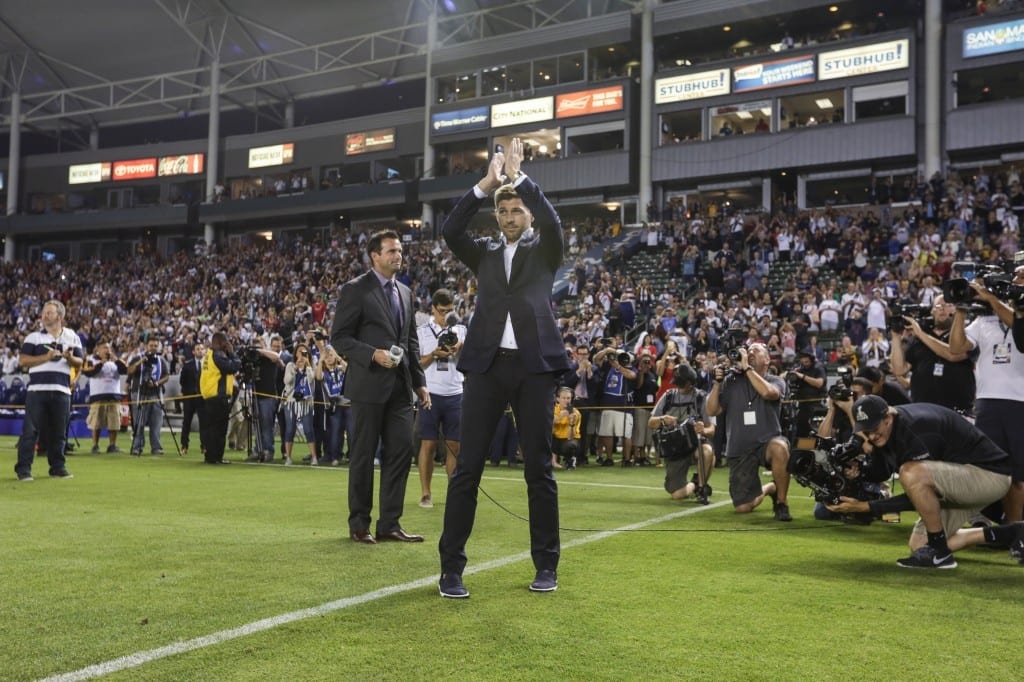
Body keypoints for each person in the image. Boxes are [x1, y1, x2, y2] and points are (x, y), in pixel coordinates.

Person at [438, 137, 568, 598]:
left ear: (527, 215)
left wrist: (523, 180)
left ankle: (546, 566)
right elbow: (451, 231)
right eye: (504, 211)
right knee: (467, 467)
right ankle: (451, 569)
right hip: (486, 369)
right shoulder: (485, 254)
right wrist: (486, 184)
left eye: (517, 210)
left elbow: (555, 222)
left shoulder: (545, 250)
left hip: (534, 370)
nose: (510, 217)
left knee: (538, 469)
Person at [827, 395, 1022, 569]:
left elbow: (917, 494)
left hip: (989, 475)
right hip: (961, 477)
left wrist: (867, 507)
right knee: (919, 546)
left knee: (911, 473)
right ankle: (1012, 532)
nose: (871, 436)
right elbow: (881, 472)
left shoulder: (916, 429)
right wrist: (860, 471)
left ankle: (940, 552)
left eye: (874, 429)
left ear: (888, 418)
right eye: (866, 431)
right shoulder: (890, 429)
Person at [331, 229, 429, 546]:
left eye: (399, 251)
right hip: (367, 387)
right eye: (391, 251)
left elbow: (410, 342)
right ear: (375, 255)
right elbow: (340, 338)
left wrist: (420, 382)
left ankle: (390, 524)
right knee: (362, 457)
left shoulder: (405, 292)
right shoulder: (355, 290)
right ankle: (360, 525)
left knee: (400, 453)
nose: (397, 256)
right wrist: (372, 354)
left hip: (400, 390)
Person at [948, 278, 1024, 524]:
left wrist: (993, 299)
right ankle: (987, 521)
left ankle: (1015, 531)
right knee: (986, 469)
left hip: (1019, 401)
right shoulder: (983, 320)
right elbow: (956, 348)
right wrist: (961, 309)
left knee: (1018, 475)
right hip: (987, 402)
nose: (1015, 283)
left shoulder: (1014, 316)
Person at [706, 342, 793, 521]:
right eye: (748, 350)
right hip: (740, 447)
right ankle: (771, 488)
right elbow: (712, 411)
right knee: (743, 507)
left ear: (767, 360)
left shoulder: (776, 380)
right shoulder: (731, 381)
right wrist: (716, 384)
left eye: (756, 351)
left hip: (766, 442)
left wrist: (746, 368)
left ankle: (782, 504)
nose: (750, 352)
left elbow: (769, 394)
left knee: (780, 447)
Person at [14, 300, 84, 481]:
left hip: (62, 390)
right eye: (44, 312)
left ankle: (58, 467)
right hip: (37, 389)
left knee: (59, 432)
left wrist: (69, 358)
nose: (44, 315)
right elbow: (22, 361)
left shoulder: (72, 336)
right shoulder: (34, 337)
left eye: (49, 313)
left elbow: (80, 362)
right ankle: (23, 469)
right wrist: (46, 356)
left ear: (59, 316)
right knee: (30, 431)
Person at [416, 288, 466, 508]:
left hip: (456, 392)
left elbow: (468, 353)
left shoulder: (460, 329)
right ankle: (426, 493)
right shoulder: (422, 332)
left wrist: (458, 347)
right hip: (431, 392)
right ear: (433, 308)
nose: (446, 315)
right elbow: (417, 364)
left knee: (455, 445)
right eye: (442, 311)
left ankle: (453, 492)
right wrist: (435, 354)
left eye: (450, 310)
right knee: (428, 443)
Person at [888, 295, 976, 413]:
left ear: (956, 309)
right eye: (938, 305)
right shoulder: (918, 338)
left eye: (948, 305)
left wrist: (920, 333)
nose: (942, 308)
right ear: (932, 311)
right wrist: (896, 337)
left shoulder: (966, 336)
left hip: (957, 410)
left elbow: (953, 354)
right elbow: (899, 370)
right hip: (922, 410)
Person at [649, 363, 715, 503]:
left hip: (694, 446)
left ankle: (702, 489)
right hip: (675, 449)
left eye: (681, 383)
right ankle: (695, 483)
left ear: (690, 383)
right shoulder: (668, 397)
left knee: (707, 451)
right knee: (677, 494)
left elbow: (712, 429)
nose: (678, 386)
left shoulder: (701, 398)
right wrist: (662, 419)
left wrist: (703, 430)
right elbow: (650, 422)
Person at [199, 331, 241, 464]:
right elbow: (232, 367)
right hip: (218, 396)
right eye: (225, 341)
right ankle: (216, 457)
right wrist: (233, 353)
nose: (227, 344)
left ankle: (210, 456)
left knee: (211, 428)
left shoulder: (209, 355)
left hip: (209, 396)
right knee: (220, 429)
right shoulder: (218, 355)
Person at [83, 340, 127, 454]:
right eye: (104, 348)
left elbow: (125, 370)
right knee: (96, 422)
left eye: (108, 348)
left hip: (114, 395)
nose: (107, 350)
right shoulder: (90, 359)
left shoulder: (116, 361)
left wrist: (115, 359)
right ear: (97, 349)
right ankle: (95, 445)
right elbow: (88, 372)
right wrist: (102, 362)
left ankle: (112, 445)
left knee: (114, 422)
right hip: (98, 395)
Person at [128, 338, 170, 456]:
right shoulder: (138, 358)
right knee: (139, 422)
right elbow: (129, 371)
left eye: (155, 346)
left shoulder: (161, 360)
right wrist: (140, 362)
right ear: (146, 346)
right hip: (140, 393)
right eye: (151, 345)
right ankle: (137, 447)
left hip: (156, 393)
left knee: (156, 423)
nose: (153, 348)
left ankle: (156, 447)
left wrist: (157, 383)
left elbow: (167, 376)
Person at [281, 342, 318, 466]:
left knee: (308, 430)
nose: (301, 355)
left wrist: (307, 366)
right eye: (299, 352)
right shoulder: (290, 365)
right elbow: (287, 381)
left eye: (304, 352)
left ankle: (314, 457)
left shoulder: (312, 366)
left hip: (306, 402)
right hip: (291, 401)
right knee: (290, 429)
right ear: (295, 353)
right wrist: (296, 369)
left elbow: (312, 380)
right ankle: (288, 457)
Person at [250, 335, 285, 463]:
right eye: (274, 346)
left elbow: (276, 357)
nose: (276, 348)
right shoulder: (261, 358)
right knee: (257, 425)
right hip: (256, 395)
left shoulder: (274, 358)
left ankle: (268, 450)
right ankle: (258, 449)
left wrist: (260, 350)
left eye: (278, 347)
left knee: (266, 425)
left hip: (269, 396)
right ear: (270, 345)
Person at [315, 345, 348, 466]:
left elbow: (348, 369)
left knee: (351, 431)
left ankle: (350, 456)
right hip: (334, 405)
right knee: (335, 432)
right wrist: (320, 359)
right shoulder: (323, 372)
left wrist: (338, 357)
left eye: (330, 355)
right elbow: (317, 376)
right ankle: (335, 456)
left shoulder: (340, 368)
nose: (329, 358)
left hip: (347, 403)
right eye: (326, 356)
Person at [786, 348, 826, 439]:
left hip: (817, 403)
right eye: (803, 362)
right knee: (802, 427)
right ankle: (802, 448)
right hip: (803, 403)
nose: (805, 364)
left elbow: (819, 383)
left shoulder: (818, 368)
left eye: (807, 362)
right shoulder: (800, 369)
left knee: (815, 429)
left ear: (811, 360)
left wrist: (803, 377)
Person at [177, 342, 206, 457]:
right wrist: (186, 392)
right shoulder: (188, 365)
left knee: (203, 423)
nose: (200, 351)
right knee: (186, 422)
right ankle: (184, 445)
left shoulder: (207, 365)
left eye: (202, 349)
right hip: (189, 397)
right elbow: (182, 380)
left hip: (201, 397)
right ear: (194, 352)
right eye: (198, 349)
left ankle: (204, 445)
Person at [552, 386, 582, 469]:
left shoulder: (576, 413)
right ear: (558, 399)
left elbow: (571, 436)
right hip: (555, 439)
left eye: (568, 398)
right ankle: (553, 461)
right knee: (546, 437)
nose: (566, 400)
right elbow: (546, 425)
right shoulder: (553, 410)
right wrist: (559, 417)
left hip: (568, 439)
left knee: (571, 444)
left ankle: (570, 460)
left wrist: (571, 424)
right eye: (563, 398)